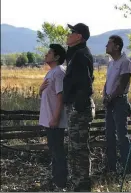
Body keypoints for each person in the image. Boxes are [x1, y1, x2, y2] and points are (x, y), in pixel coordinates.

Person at [63, 23, 95, 192]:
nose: (69, 34)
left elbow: (86, 84)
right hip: (76, 106)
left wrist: (77, 106)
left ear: (79, 36)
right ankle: (76, 181)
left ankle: (82, 183)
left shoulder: (81, 55)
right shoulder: (75, 53)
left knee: (79, 147)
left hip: (79, 108)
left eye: (72, 32)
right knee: (74, 147)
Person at [103, 35, 131, 174]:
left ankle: (127, 168)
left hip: (119, 101)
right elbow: (108, 82)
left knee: (121, 135)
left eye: (109, 43)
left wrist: (111, 97)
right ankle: (111, 166)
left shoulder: (125, 62)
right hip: (110, 101)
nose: (106, 46)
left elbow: (122, 84)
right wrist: (105, 94)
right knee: (109, 134)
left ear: (117, 46)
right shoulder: (111, 62)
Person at [39, 44, 67, 190]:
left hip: (55, 120)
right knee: (54, 150)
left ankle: (60, 182)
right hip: (49, 119)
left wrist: (56, 118)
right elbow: (46, 93)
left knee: (57, 150)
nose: (46, 54)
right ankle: (56, 179)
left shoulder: (59, 73)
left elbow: (61, 96)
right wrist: (40, 90)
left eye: (49, 52)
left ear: (56, 57)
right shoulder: (51, 72)